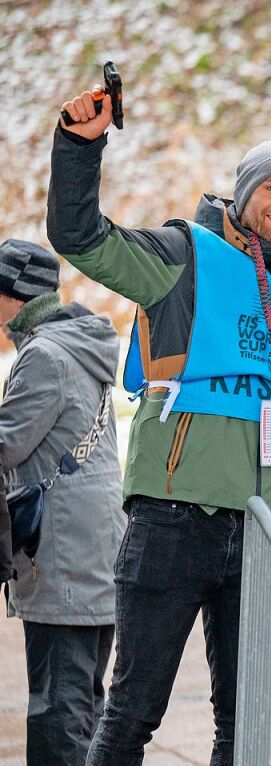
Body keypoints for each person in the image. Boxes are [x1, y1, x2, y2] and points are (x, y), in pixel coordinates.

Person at [47, 87, 271, 765]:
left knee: (246, 721)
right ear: (244, 193)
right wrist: (80, 148)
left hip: (265, 532)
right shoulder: (182, 257)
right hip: (174, 519)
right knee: (133, 714)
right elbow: (80, 238)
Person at [0, 239, 124, 766]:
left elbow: (7, 444)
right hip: (94, 546)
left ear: (13, 295)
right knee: (83, 704)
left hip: (62, 555)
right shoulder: (80, 344)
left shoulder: (44, 355)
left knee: (59, 711)